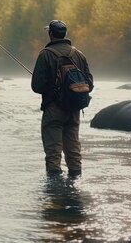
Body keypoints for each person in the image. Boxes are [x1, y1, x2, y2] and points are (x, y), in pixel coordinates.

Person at [31, 20, 93, 177]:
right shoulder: (79, 55)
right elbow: (89, 85)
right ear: (64, 34)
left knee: (53, 154)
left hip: (53, 110)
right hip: (74, 110)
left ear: (51, 34)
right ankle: (75, 190)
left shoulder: (45, 55)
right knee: (74, 153)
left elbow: (37, 86)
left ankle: (55, 195)